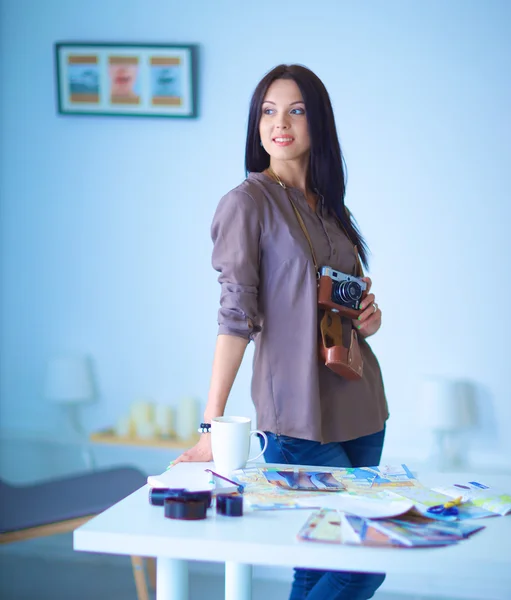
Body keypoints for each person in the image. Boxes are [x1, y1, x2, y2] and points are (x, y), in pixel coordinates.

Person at [174, 64, 389, 600]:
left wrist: (370, 319)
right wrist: (210, 428)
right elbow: (234, 318)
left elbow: (342, 304)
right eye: (268, 111)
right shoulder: (246, 204)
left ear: (319, 122)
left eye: (296, 110)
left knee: (316, 561)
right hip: (295, 416)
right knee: (364, 561)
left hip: (361, 407)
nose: (281, 123)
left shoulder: (332, 207)